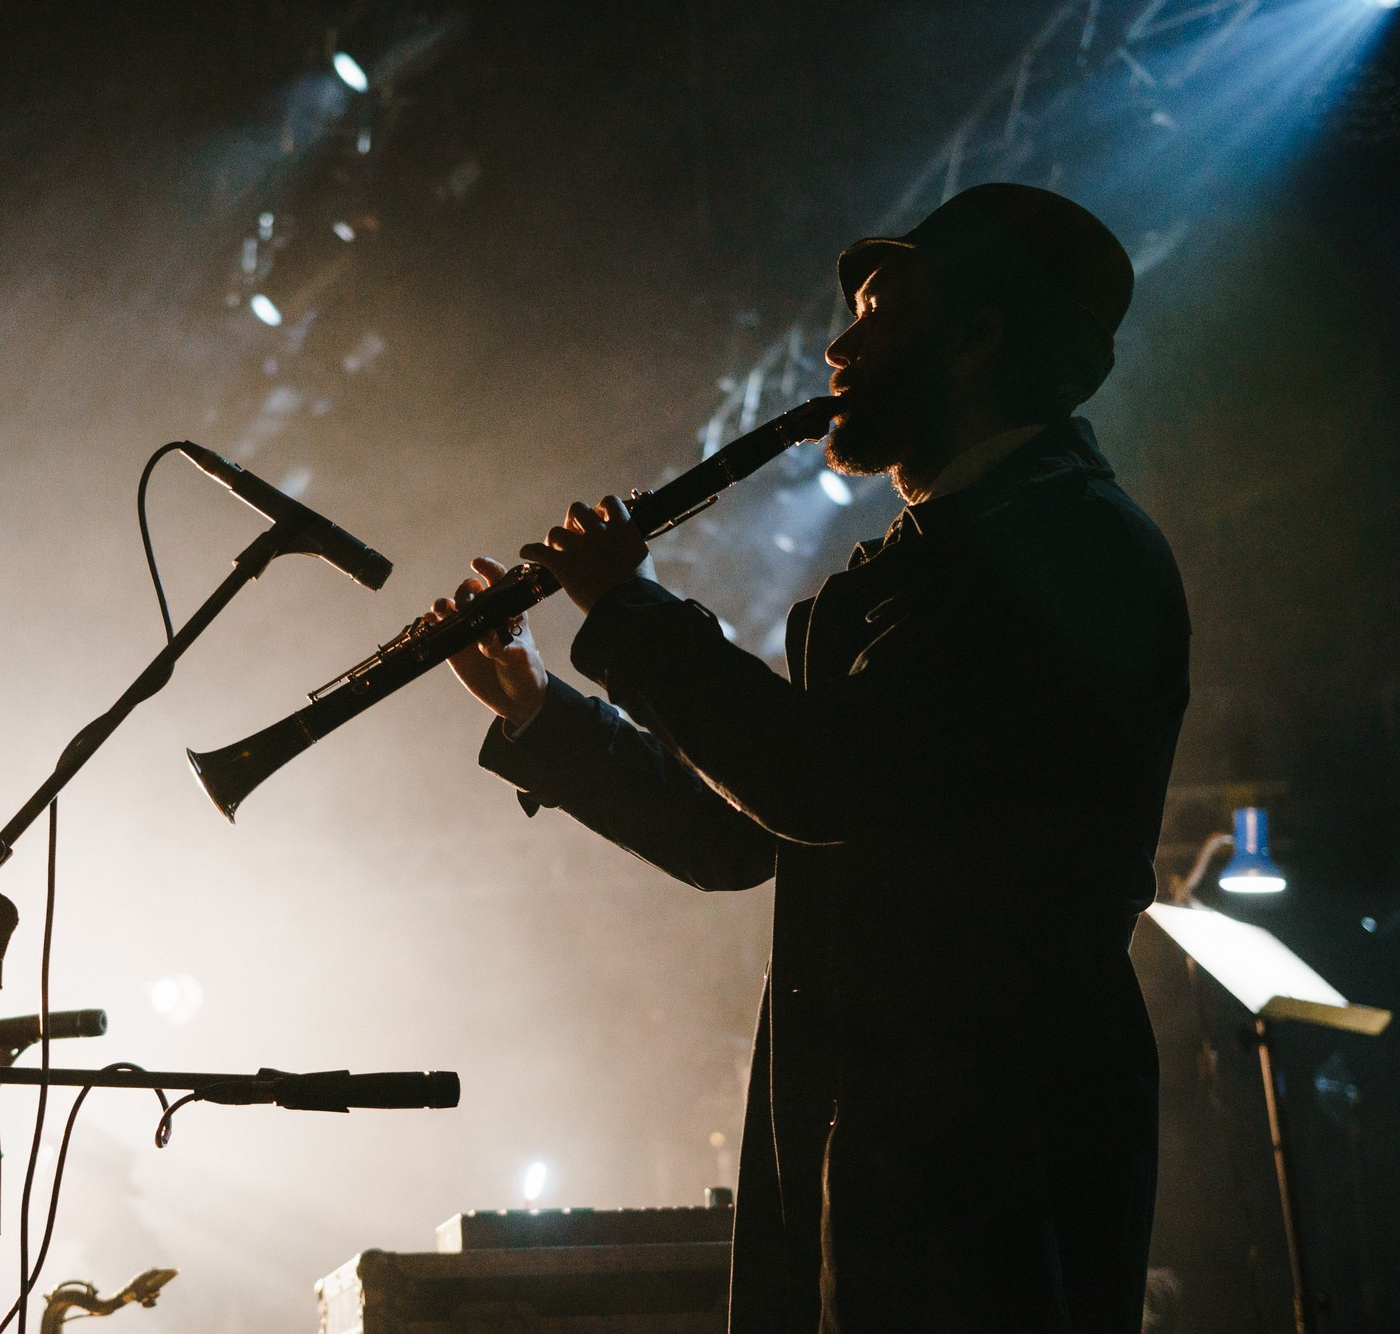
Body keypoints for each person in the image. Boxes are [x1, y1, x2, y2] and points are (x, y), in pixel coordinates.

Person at [428, 184, 1190, 1333]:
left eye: (877, 314)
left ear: (975, 339)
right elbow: (744, 835)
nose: (836, 350)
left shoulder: (1065, 546)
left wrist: (629, 610)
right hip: (886, 1136)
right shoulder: (935, 557)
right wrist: (543, 711)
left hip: (990, 1153)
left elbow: (819, 783)